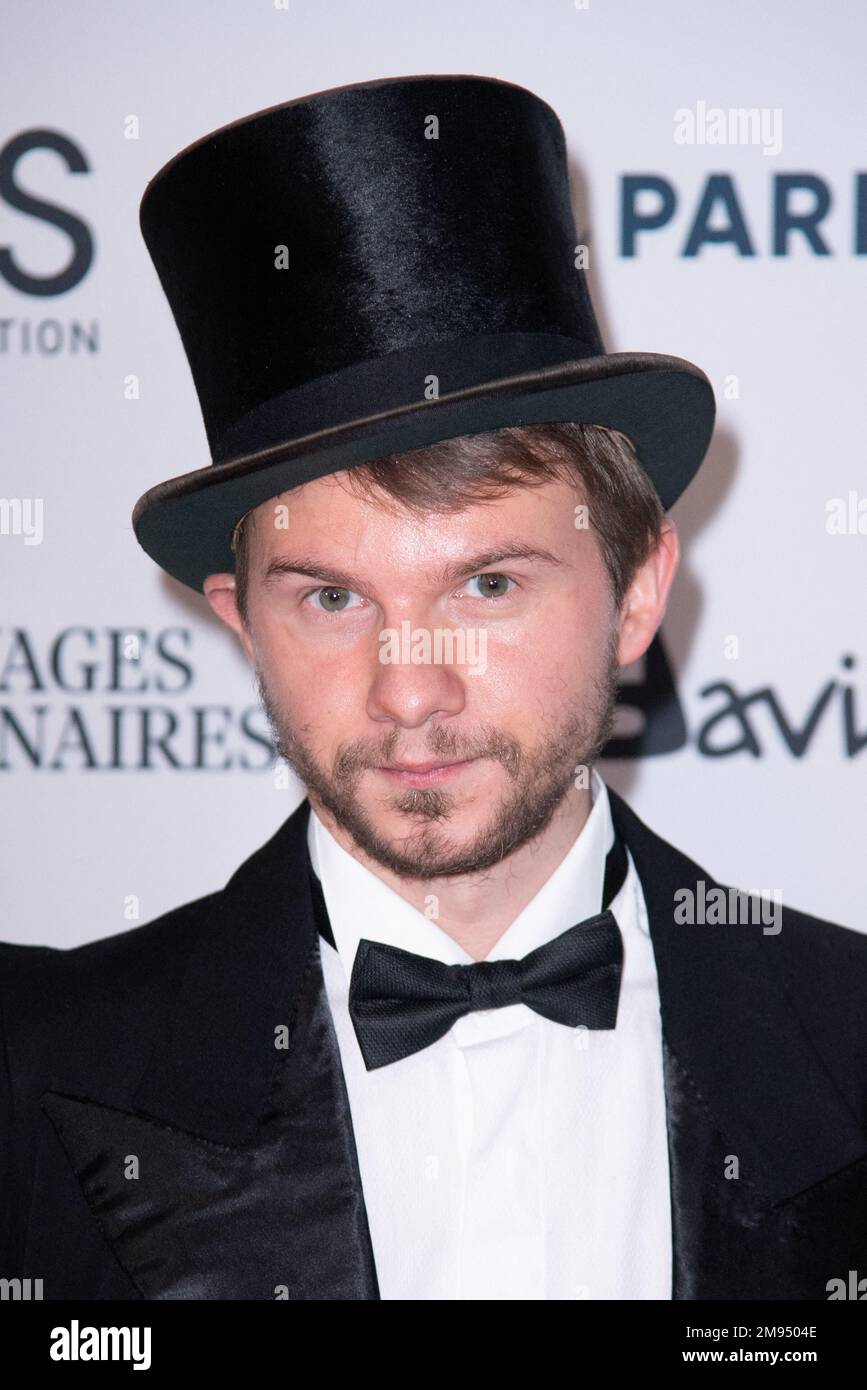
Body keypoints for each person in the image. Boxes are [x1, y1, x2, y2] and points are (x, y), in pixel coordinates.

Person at [2, 74, 866, 1302]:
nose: (410, 697)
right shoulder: (33, 1071)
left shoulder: (848, 1039)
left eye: (489, 586)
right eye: (333, 598)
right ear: (240, 620)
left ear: (635, 591)